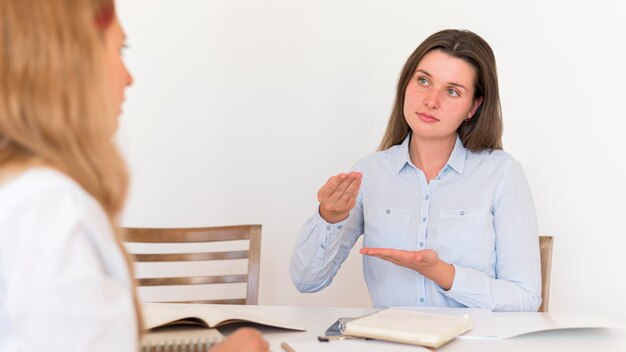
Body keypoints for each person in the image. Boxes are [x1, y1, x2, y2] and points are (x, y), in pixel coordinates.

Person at [0, 0, 269, 351]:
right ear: (73, 62)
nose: (129, 76)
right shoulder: (47, 206)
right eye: (119, 49)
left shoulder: (24, 193)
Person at [290, 29, 541, 312]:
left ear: (473, 106)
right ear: (405, 85)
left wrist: (443, 273)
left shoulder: (502, 173)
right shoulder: (369, 174)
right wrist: (330, 217)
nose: (431, 101)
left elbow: (526, 299)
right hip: (390, 342)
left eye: (451, 91)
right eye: (423, 81)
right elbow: (306, 281)